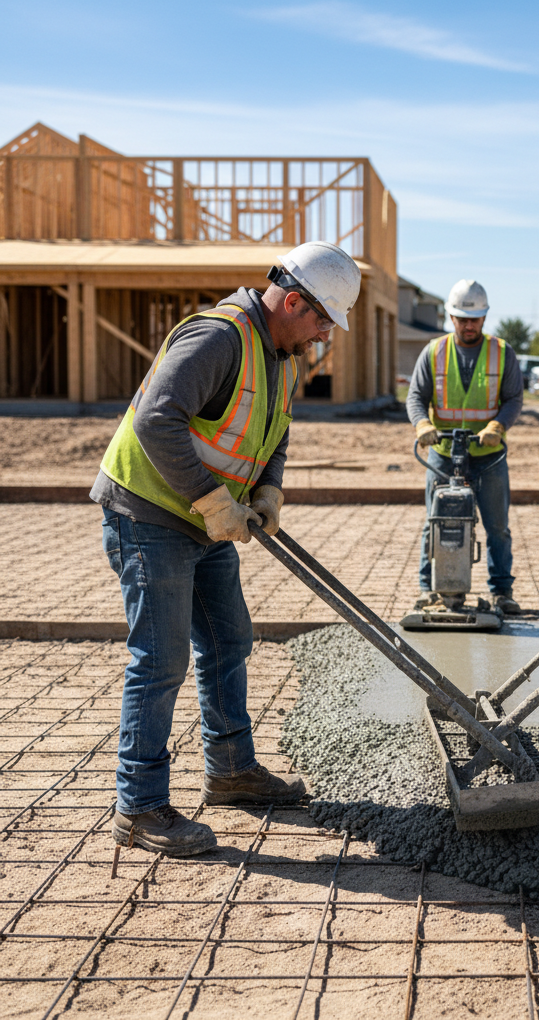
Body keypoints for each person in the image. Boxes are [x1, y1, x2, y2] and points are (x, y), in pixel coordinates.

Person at [91, 241, 362, 855]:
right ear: (292, 300)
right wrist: (216, 503)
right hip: (151, 512)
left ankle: (232, 770)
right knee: (159, 661)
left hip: (202, 517)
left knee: (226, 639)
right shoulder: (219, 338)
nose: (324, 333)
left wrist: (266, 490)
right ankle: (139, 808)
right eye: (322, 319)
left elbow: (276, 431)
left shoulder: (281, 355)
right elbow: (156, 420)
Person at [406, 279, 524, 615]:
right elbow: (416, 396)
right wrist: (422, 425)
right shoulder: (434, 352)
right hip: (442, 454)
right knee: (435, 520)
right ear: (450, 317)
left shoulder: (502, 353)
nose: (468, 325)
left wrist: (498, 425)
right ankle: (430, 588)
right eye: (462, 318)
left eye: (474, 319)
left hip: (488, 456)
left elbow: (514, 397)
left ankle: (502, 591)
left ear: (484, 318)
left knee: (497, 525)